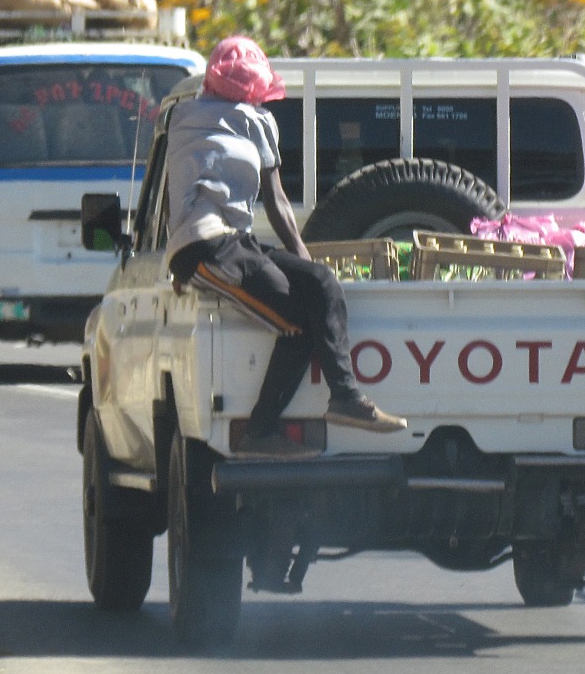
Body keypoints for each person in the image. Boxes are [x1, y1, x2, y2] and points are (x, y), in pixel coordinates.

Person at [163, 36, 407, 458]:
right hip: (204, 247)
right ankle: (261, 432)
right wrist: (300, 251)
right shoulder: (257, 122)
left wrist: (307, 265)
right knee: (298, 324)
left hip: (230, 242)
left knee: (321, 281)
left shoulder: (182, 115)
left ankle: (346, 399)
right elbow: (276, 203)